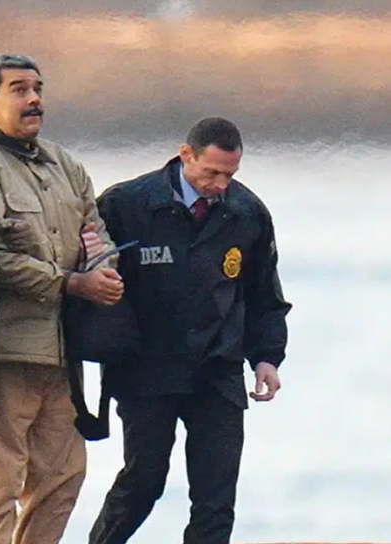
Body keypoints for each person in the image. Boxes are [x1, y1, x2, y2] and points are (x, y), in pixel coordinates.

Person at [87, 117, 293, 544]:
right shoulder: (126, 204)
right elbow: (87, 280)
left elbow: (264, 296)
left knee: (216, 498)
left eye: (230, 174)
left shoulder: (247, 213)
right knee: (143, 483)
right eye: (211, 172)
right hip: (146, 367)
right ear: (186, 156)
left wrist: (267, 357)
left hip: (217, 369)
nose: (220, 184)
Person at [0, 53, 123, 544]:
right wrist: (68, 282)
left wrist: (103, 272)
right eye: (19, 89)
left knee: (64, 477)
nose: (34, 99)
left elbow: (99, 234)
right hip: (2, 350)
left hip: (62, 351)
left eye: (38, 88)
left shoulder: (64, 164)